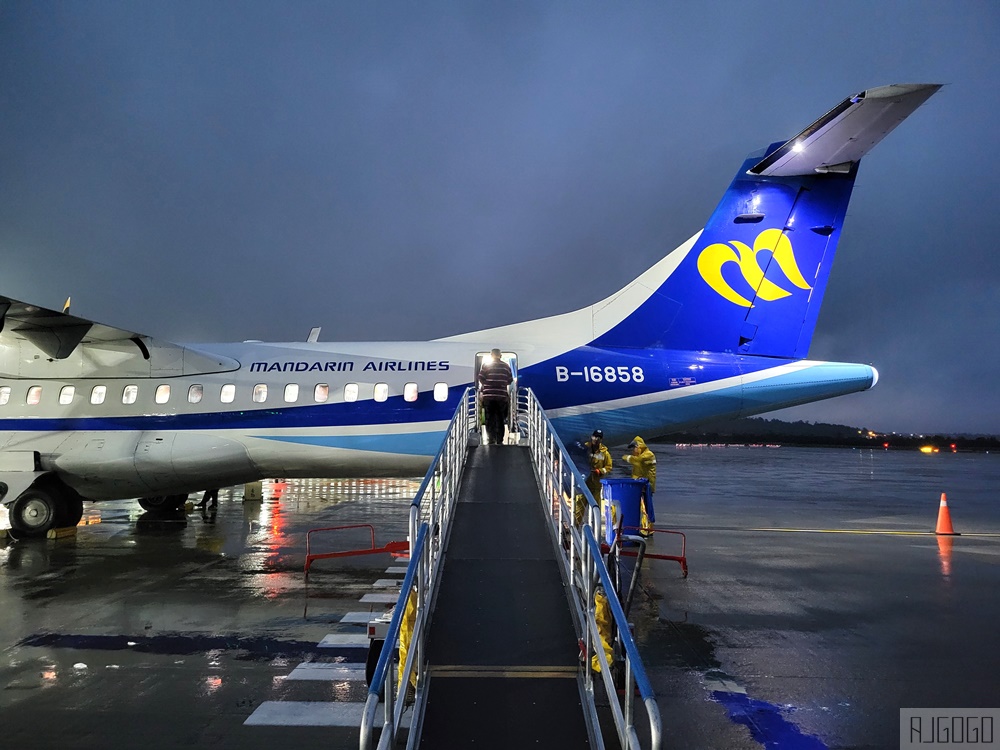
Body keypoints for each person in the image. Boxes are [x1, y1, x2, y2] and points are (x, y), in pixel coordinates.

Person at [478, 348, 513, 445]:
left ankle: (491, 439)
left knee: (490, 418)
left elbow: (481, 378)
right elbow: (510, 380)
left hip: (488, 396)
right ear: (500, 355)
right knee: (500, 419)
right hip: (501, 396)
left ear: (491, 355)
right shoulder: (506, 366)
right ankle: (499, 440)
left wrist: (488, 385)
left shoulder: (486, 366)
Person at [622, 437, 656, 535]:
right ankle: (644, 528)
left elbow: (637, 461)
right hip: (639, 484)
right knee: (642, 506)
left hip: (646, 485)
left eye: (634, 448)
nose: (634, 450)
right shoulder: (641, 455)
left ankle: (647, 530)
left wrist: (626, 457)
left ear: (639, 446)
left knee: (646, 506)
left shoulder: (648, 455)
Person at [584, 429, 612, 503]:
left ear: (601, 440)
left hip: (596, 483)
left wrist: (600, 471)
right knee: (579, 503)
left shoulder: (605, 453)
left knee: (596, 505)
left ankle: (595, 514)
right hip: (584, 482)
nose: (596, 439)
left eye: (599, 438)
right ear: (591, 437)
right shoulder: (585, 448)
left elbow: (608, 467)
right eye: (595, 437)